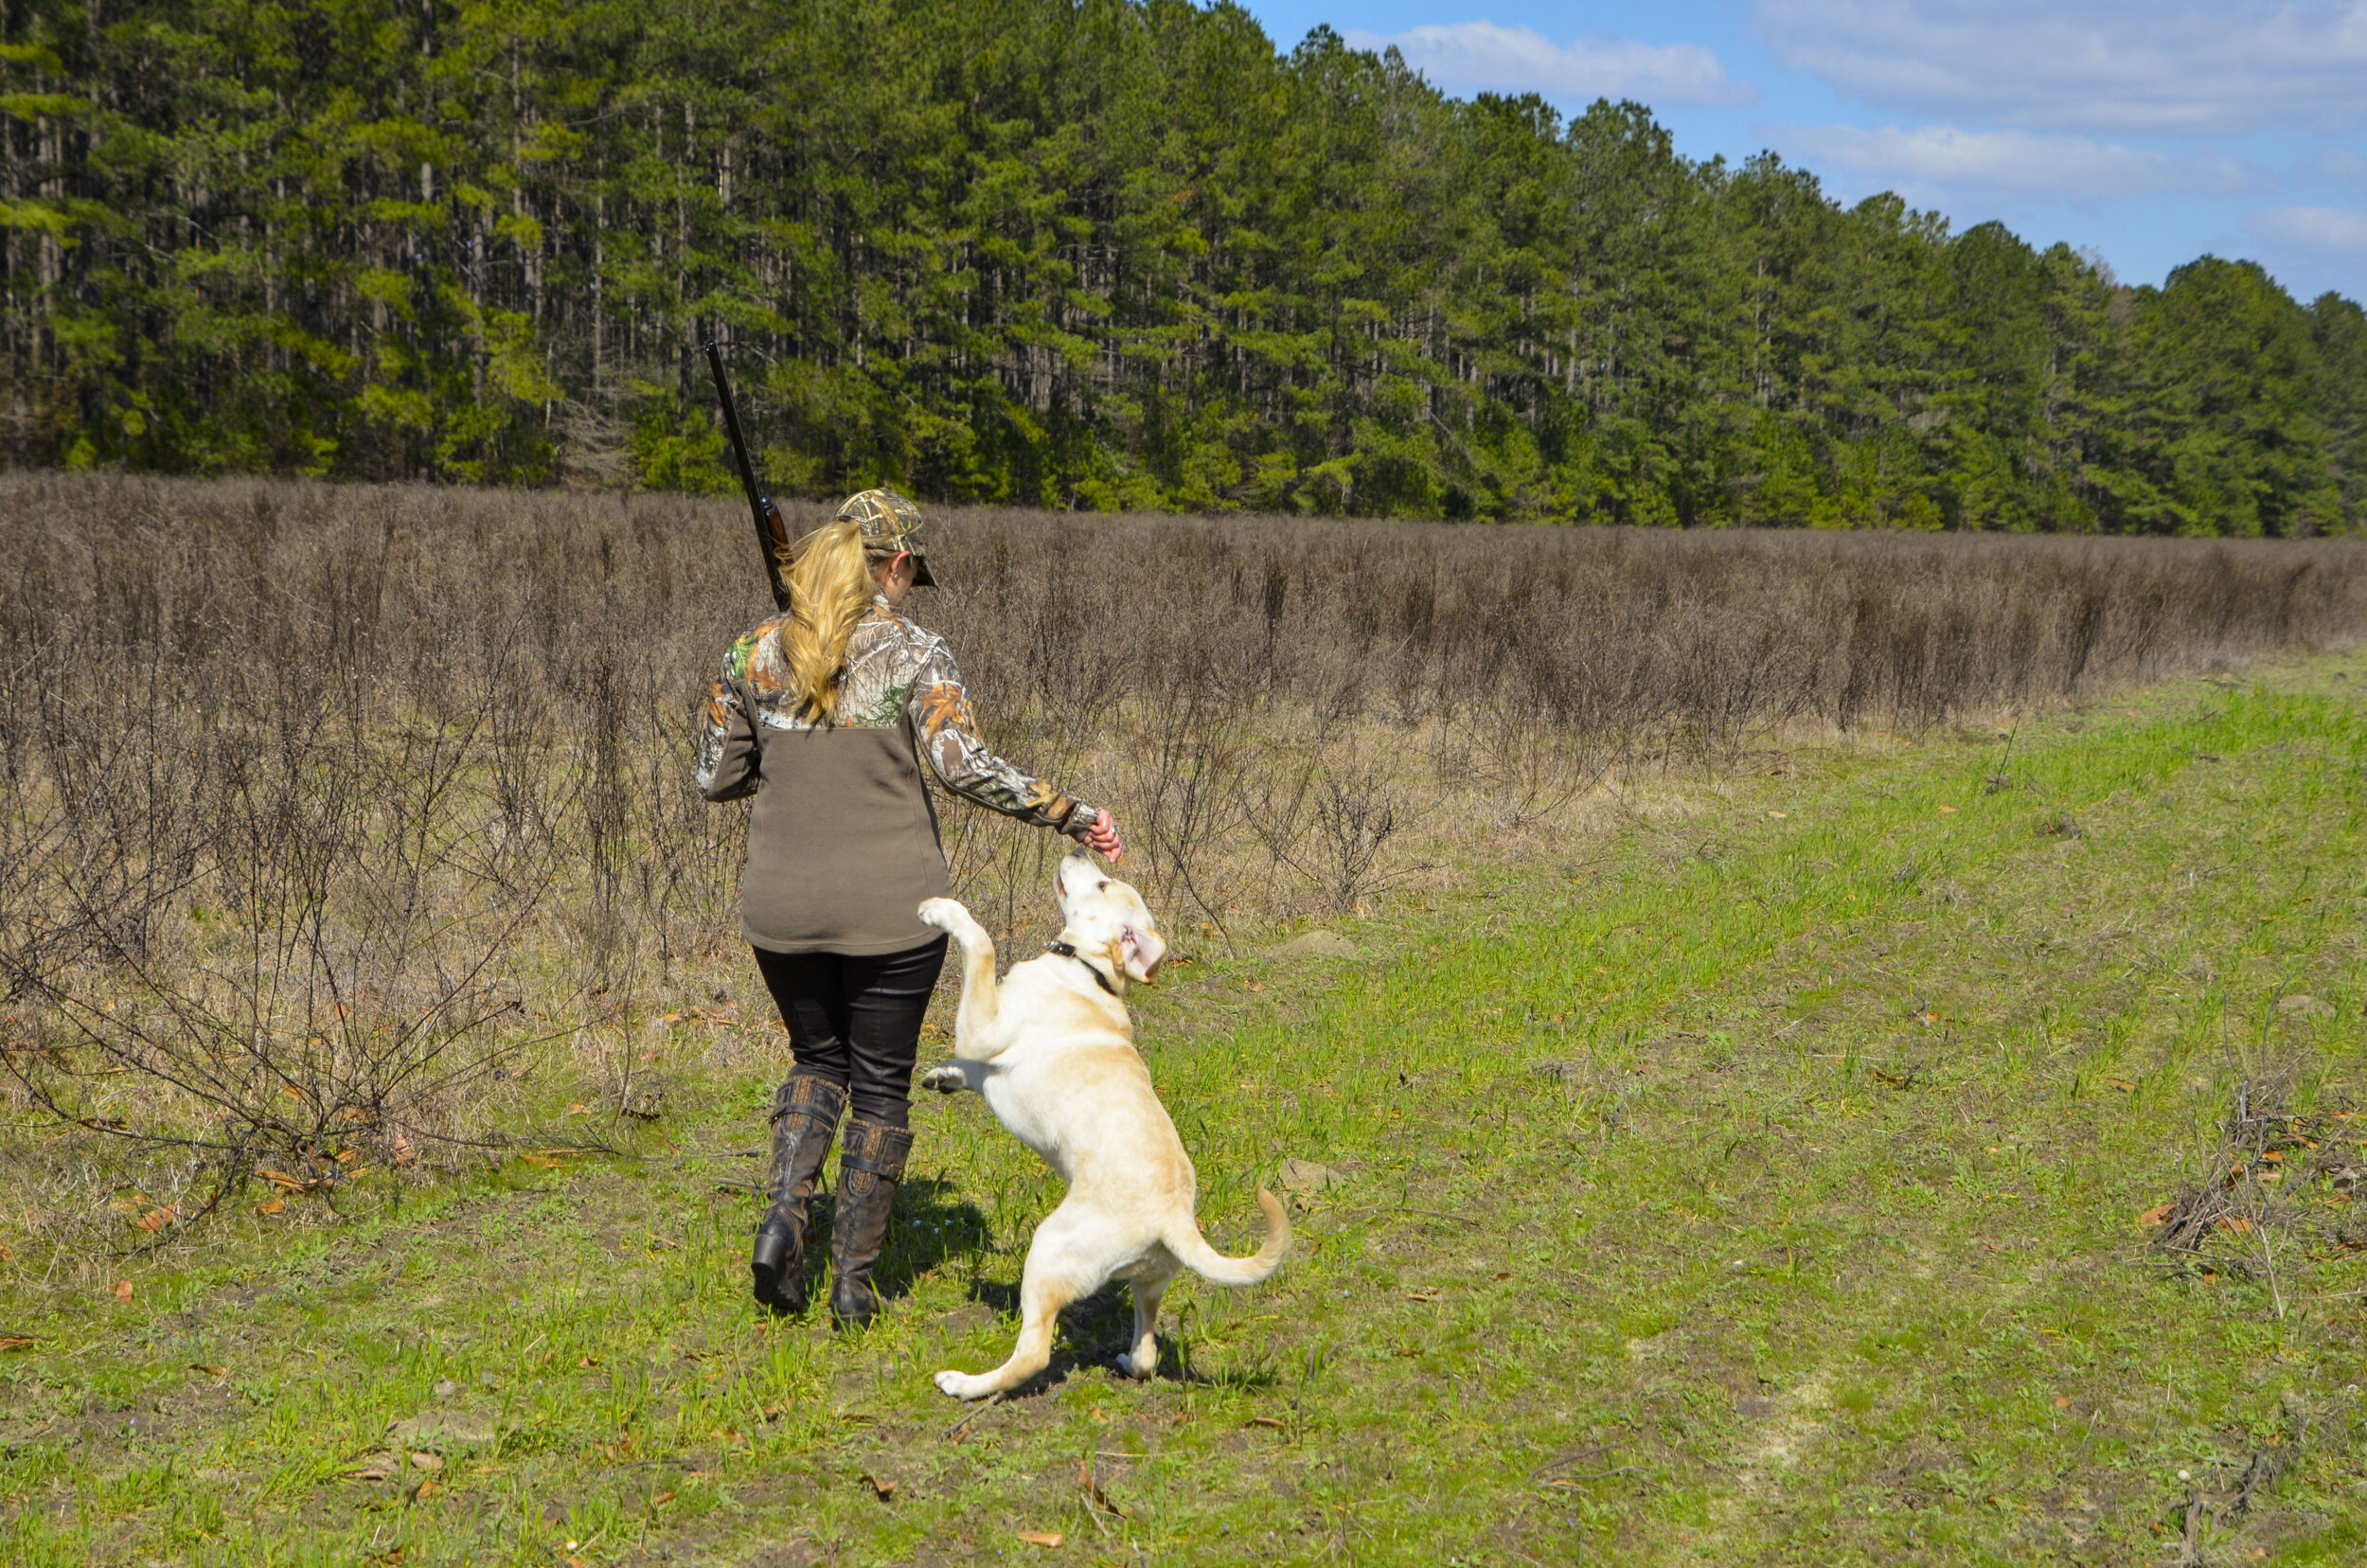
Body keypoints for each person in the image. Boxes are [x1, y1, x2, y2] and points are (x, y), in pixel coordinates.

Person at [696, 489, 1122, 1325]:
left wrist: (784, 739)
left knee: (817, 1059)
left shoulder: (752, 652)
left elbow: (716, 778)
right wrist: (1068, 811)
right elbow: (961, 765)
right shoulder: (920, 653)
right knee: (883, 1085)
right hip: (895, 911)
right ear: (894, 567)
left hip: (779, 910)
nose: (912, 585)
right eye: (912, 571)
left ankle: (784, 1221)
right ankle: (853, 1288)